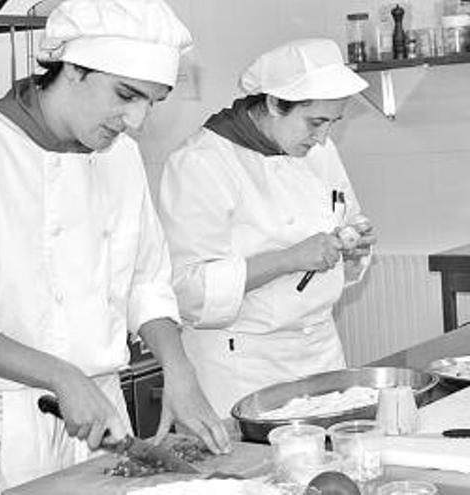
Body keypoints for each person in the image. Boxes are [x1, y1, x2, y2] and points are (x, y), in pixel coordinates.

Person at [0, 0, 231, 492]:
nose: (136, 120)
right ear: (73, 68)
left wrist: (178, 367)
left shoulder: (121, 157)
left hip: (100, 414)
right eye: (126, 94)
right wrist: (61, 376)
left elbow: (147, 282)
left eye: (151, 102)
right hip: (6, 423)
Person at [157, 38, 376, 417]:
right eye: (315, 122)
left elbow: (347, 220)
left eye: (332, 124)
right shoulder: (202, 162)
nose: (323, 138)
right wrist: (289, 259)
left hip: (320, 352)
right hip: (243, 365)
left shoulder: (318, 151)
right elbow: (189, 290)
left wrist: (353, 251)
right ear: (274, 103)